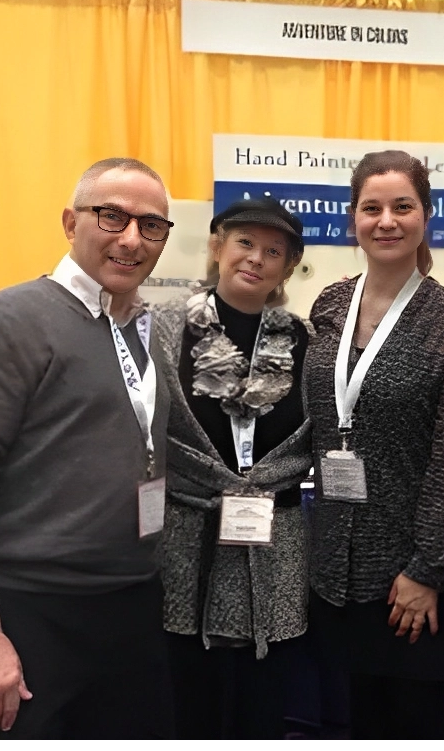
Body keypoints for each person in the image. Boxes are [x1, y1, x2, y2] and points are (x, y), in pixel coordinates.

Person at [0, 158, 177, 742]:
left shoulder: (141, 330)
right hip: (30, 614)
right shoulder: (10, 321)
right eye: (112, 216)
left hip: (129, 606)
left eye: (151, 225)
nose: (132, 238)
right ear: (69, 221)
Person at [306, 150, 444, 743]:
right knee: (360, 716)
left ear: (425, 217)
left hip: (410, 569)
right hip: (336, 562)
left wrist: (427, 569)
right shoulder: (329, 304)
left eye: (402, 207)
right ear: (352, 218)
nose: (386, 221)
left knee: (411, 722)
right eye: (371, 208)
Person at [154, 197, 311, 743]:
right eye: (245, 243)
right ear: (218, 247)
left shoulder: (305, 341)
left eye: (274, 251)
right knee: (188, 698)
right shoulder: (164, 331)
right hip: (188, 542)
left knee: (262, 701)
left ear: (288, 267)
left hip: (274, 547)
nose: (257, 259)